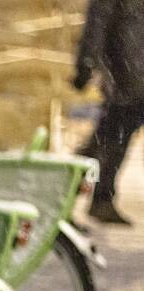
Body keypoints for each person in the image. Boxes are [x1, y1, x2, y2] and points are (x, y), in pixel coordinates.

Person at [74, 0, 144, 226]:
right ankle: (92, 195)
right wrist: (85, 61)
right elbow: (98, 20)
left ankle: (78, 192)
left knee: (109, 137)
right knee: (112, 137)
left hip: (133, 67)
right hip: (125, 70)